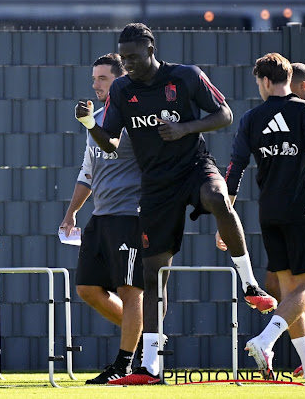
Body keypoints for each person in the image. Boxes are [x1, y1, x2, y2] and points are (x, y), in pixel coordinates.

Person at [77, 23, 276, 385]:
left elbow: (225, 114)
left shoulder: (185, 77)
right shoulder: (122, 89)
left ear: (151, 49)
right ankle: (150, 367)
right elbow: (110, 144)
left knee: (217, 198)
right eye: (125, 58)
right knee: (154, 275)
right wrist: (91, 123)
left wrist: (185, 129)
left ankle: (249, 285)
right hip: (155, 186)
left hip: (193, 167)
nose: (129, 64)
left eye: (134, 57)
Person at [217, 61, 305, 373]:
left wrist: (225, 220)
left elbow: (234, 170)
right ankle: (266, 341)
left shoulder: (251, 118)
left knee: (289, 290)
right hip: (301, 211)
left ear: (263, 80)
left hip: (269, 214)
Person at [59, 53, 143, 384]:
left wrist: (92, 124)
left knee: (129, 290)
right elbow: (88, 172)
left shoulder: (130, 115)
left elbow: (114, 147)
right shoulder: (94, 118)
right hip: (100, 215)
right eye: (93, 78)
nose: (94, 84)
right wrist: (71, 214)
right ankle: (145, 337)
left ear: (119, 81)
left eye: (102, 78)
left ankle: (124, 363)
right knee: (87, 289)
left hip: (130, 216)